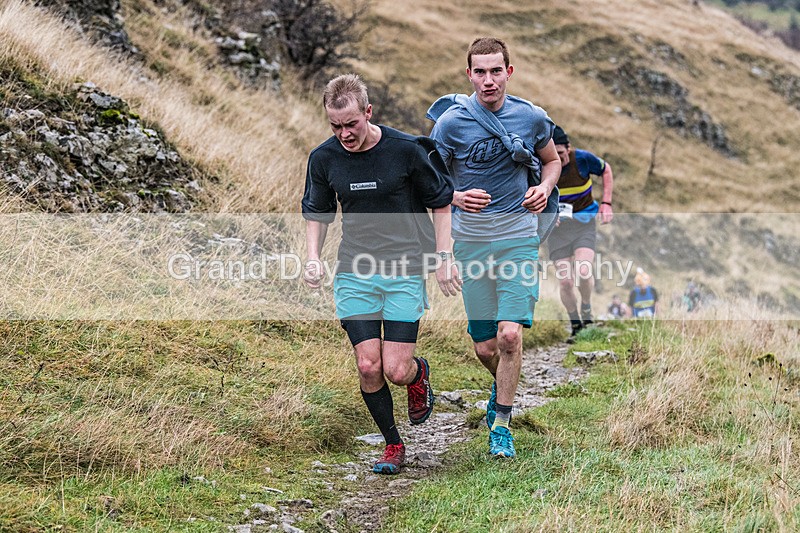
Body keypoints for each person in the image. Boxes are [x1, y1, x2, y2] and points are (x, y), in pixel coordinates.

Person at [302, 74, 459, 475]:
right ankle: (393, 443)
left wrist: (444, 258)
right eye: (335, 126)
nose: (343, 134)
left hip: (405, 270)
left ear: (368, 113)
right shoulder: (324, 159)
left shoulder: (406, 150)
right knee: (369, 366)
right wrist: (312, 257)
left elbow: (441, 203)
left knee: (395, 369)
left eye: (351, 124)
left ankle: (418, 373)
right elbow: (317, 213)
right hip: (355, 272)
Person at [427, 37, 561, 459]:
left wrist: (543, 186)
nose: (488, 80)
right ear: (469, 75)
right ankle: (502, 385)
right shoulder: (449, 125)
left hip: (518, 238)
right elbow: (431, 184)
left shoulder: (531, 117)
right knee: (486, 346)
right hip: (470, 241)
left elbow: (553, 159)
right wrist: (456, 197)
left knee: (508, 336)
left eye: (495, 71)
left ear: (509, 72)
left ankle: (501, 423)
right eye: (479, 72)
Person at [548, 125, 614, 339]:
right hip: (557, 230)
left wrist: (606, 203)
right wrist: (547, 214)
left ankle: (586, 306)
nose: (559, 159)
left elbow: (606, 170)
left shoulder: (582, 159)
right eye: (553, 155)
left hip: (583, 224)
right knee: (566, 281)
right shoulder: (543, 166)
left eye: (561, 153)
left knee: (584, 272)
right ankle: (576, 323)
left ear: (568, 148)